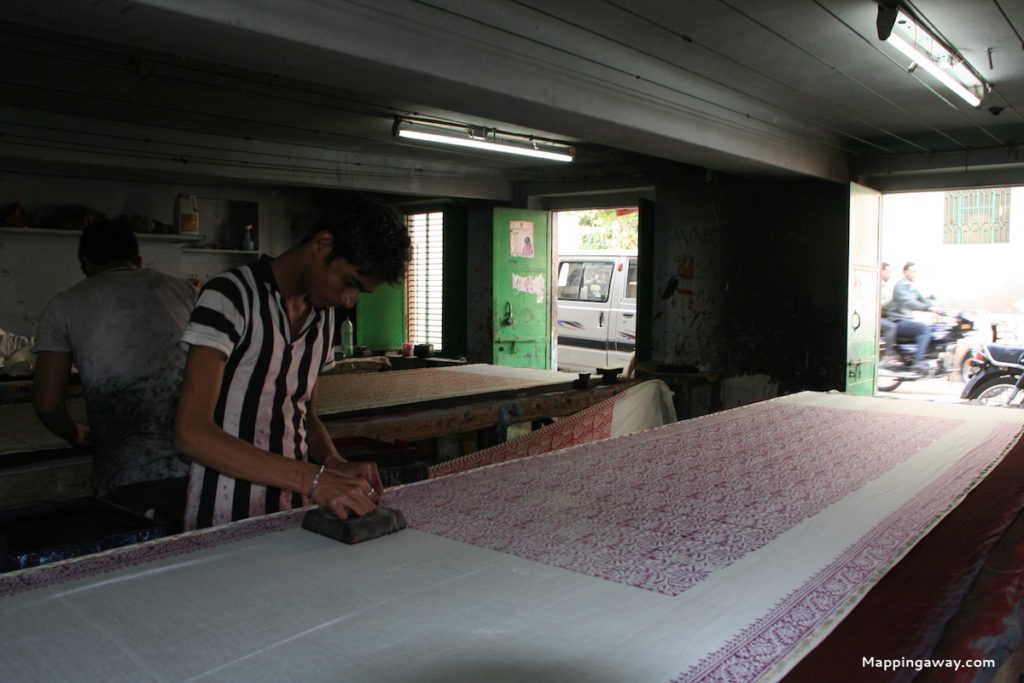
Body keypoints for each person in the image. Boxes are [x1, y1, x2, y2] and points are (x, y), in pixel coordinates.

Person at [175, 196, 412, 530]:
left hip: (293, 510)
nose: (348, 300)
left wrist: (332, 463)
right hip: (224, 511)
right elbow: (191, 432)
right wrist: (315, 479)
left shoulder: (324, 316)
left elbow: (303, 412)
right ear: (322, 244)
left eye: (360, 294)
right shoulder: (230, 297)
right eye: (349, 283)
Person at [33, 220, 197, 529]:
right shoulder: (184, 291)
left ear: (86, 265)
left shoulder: (64, 305)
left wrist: (72, 431)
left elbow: (46, 404)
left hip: (125, 477)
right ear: (138, 260)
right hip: (202, 467)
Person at [887, 261, 941, 374]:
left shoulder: (911, 286)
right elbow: (910, 303)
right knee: (923, 329)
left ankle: (925, 357)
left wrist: (938, 308)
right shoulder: (901, 286)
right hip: (898, 321)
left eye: (916, 271)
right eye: (912, 271)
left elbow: (923, 299)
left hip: (906, 320)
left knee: (934, 330)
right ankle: (917, 361)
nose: (914, 273)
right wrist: (928, 308)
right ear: (905, 272)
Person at [878, 262, 897, 359]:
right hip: (874, 317)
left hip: (883, 315)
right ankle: (888, 356)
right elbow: (877, 304)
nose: (889, 275)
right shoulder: (876, 285)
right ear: (881, 271)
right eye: (887, 272)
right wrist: (891, 301)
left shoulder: (883, 285)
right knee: (891, 327)